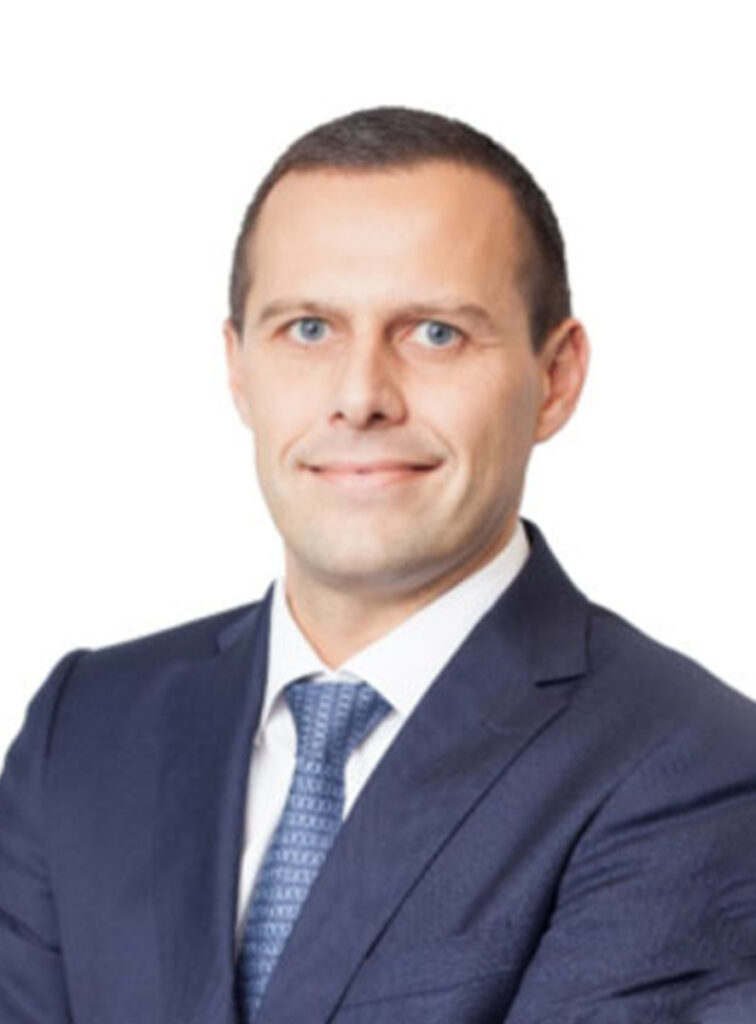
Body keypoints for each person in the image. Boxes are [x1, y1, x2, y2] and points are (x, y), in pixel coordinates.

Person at [1, 106, 754, 1024]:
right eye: (308, 329)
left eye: (434, 333)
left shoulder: (694, 767)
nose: (360, 397)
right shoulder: (86, 729)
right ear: (238, 368)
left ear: (555, 378)